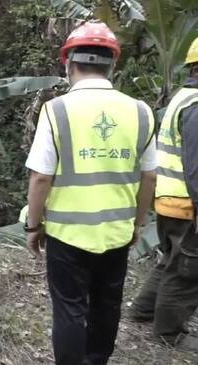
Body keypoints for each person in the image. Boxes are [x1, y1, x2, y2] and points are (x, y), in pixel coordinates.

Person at [24, 22, 157, 364]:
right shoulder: (140, 111)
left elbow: (40, 178)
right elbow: (149, 176)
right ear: (112, 64)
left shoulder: (56, 111)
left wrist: (33, 227)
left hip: (67, 236)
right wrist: (138, 225)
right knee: (107, 304)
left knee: (70, 310)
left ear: (69, 63)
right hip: (116, 233)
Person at [129, 37, 198, 350]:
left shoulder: (183, 97)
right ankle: (168, 333)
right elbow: (196, 165)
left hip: (170, 198)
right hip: (187, 203)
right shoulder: (196, 105)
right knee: (187, 271)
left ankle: (143, 310)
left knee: (171, 259)